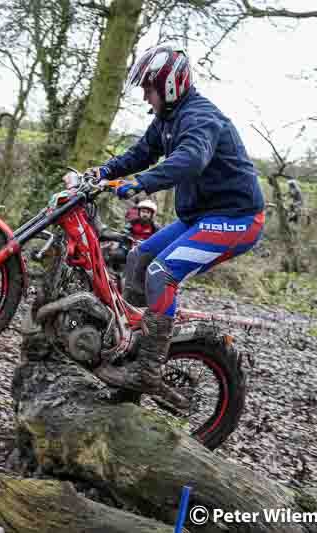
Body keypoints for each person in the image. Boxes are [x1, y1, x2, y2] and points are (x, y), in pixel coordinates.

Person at [86, 45, 265, 398]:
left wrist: (141, 183)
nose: (143, 96)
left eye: (147, 88)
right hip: (200, 217)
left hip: (238, 220)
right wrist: (103, 172)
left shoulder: (200, 118)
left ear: (169, 85)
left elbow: (190, 159)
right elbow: (141, 152)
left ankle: (148, 369)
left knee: (161, 272)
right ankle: (134, 347)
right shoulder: (168, 118)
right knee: (138, 259)